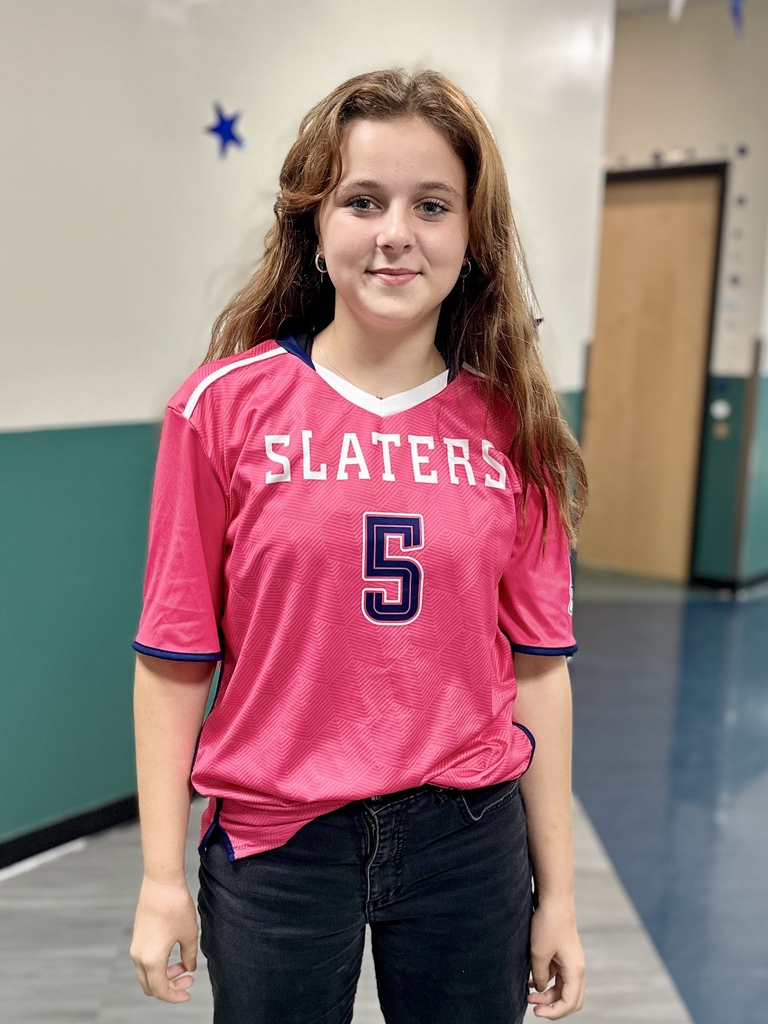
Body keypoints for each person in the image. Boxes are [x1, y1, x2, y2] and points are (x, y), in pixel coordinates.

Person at [130, 68, 588, 1024]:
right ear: (314, 221)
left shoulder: (514, 424)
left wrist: (563, 900)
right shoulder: (222, 409)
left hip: (467, 834)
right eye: (362, 200)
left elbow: (541, 672)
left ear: (472, 236)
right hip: (278, 844)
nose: (395, 234)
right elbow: (174, 663)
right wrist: (159, 878)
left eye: (432, 205)